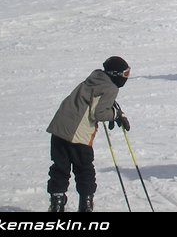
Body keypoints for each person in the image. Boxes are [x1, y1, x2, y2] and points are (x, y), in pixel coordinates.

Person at [46, 57, 131, 213]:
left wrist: (111, 107)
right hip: (78, 136)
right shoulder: (111, 88)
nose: (126, 77)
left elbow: (93, 100)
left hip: (59, 130)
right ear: (115, 74)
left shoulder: (94, 78)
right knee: (84, 169)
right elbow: (98, 113)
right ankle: (86, 205)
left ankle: (57, 203)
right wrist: (116, 114)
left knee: (60, 168)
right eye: (125, 74)